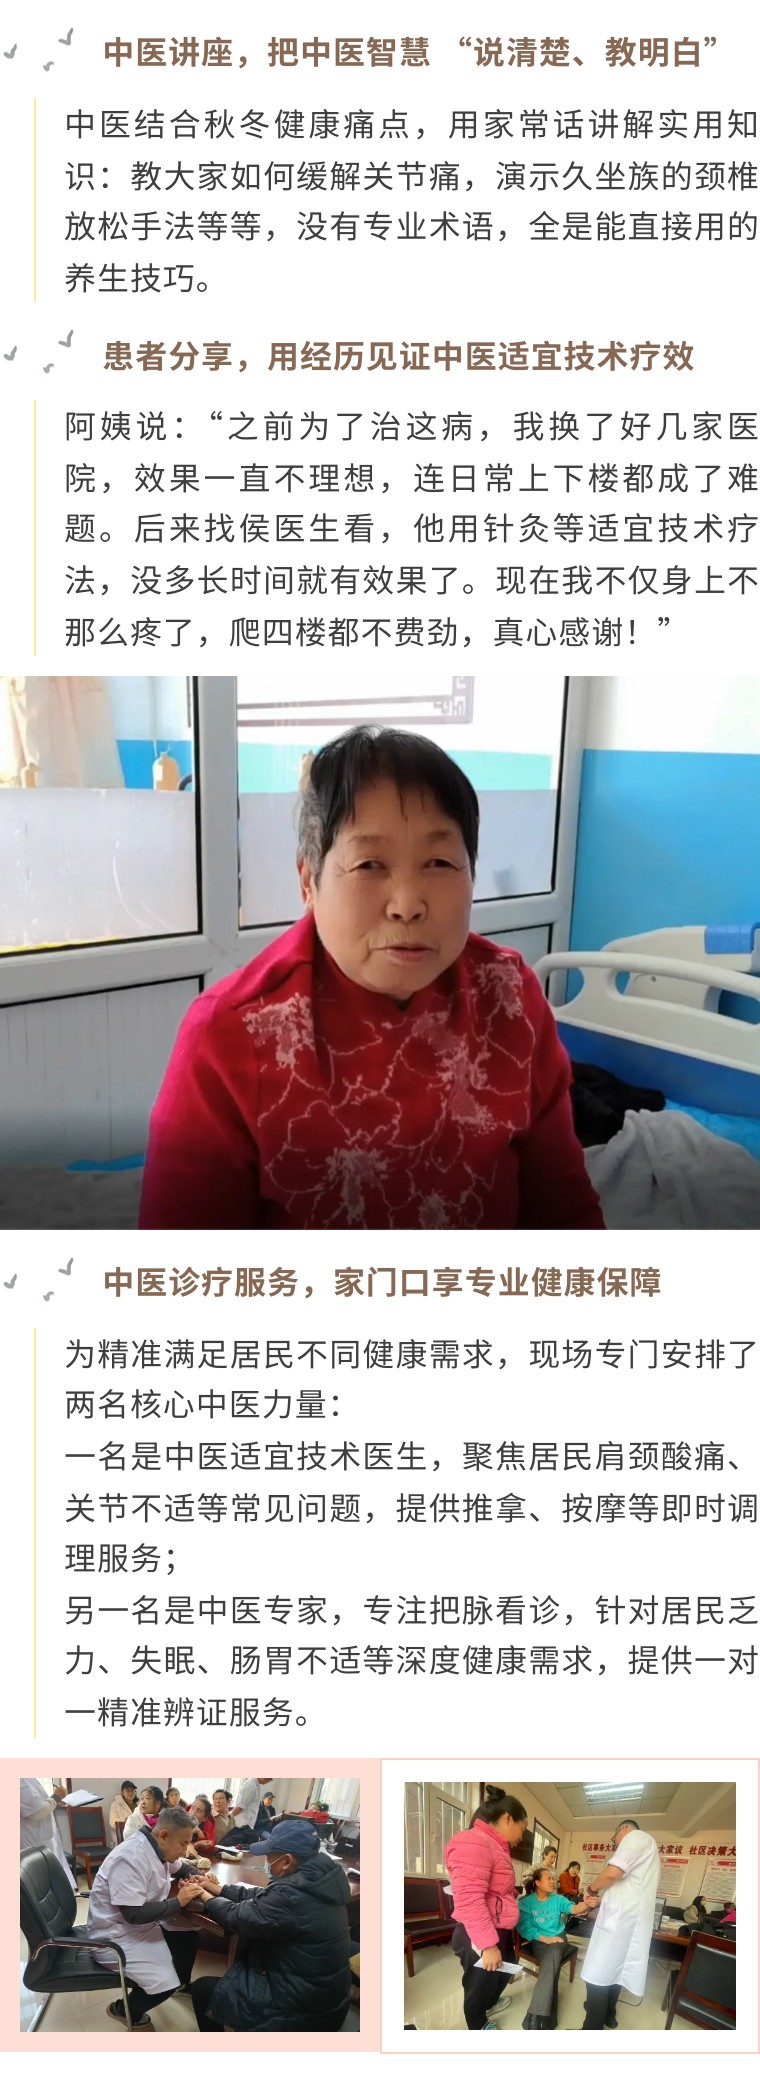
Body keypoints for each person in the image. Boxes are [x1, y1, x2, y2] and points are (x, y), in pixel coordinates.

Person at [140, 727, 603, 1233]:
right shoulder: (230, 1036)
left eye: (439, 863)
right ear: (308, 881)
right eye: (369, 864)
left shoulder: (510, 999)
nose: (407, 904)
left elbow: (566, 1214)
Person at [189, 1819, 352, 2032]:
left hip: (303, 2011)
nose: (266, 1860)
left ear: (286, 1860)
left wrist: (205, 1896)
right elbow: (265, 1896)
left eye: (269, 1855)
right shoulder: (319, 1878)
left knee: (202, 1989)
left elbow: (237, 1917)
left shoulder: (291, 1896)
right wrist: (219, 1889)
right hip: (326, 1998)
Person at [87, 1806, 208, 2031]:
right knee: (165, 1984)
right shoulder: (130, 1857)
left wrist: (198, 1876)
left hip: (139, 1926)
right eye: (183, 1843)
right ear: (164, 1835)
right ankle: (124, 2009)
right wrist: (178, 1901)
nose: (185, 1850)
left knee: (188, 1938)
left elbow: (182, 1868)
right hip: (115, 1936)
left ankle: (180, 1983)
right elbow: (133, 1915)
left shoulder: (158, 1848)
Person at [444, 1792, 528, 2031]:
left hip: (497, 1927)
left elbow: (496, 1889)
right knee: (479, 1983)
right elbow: (469, 1899)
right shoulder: (473, 1841)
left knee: (505, 1966)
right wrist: (488, 1945)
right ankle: (478, 2023)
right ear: (508, 1818)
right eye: (522, 1829)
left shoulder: (496, 1846)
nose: (521, 1836)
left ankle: (489, 2004)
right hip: (478, 1932)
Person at [581, 1819, 660, 2030]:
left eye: (614, 1840)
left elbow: (613, 1872)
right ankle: (609, 2015)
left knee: (597, 1971)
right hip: (624, 1920)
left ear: (623, 1829)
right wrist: (601, 1901)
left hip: (621, 1923)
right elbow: (628, 1889)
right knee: (615, 1969)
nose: (615, 1845)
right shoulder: (647, 1847)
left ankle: (591, 2029)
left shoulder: (637, 1837)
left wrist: (592, 1889)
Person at [518, 1868, 594, 2029]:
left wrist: (586, 1903)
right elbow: (525, 1928)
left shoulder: (557, 1899)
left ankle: (534, 2014)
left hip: (559, 1938)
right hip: (539, 1940)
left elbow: (574, 1909)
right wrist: (546, 1939)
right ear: (537, 1883)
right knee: (551, 1968)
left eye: (553, 1879)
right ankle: (546, 2022)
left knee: (553, 1953)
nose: (553, 1881)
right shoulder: (526, 1903)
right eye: (549, 1879)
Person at [20, 1778, 77, 1893]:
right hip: (33, 1843)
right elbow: (36, 1812)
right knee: (41, 1887)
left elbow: (38, 1804)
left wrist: (54, 1801)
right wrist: (56, 1797)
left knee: (51, 1883)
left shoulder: (29, 1778)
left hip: (42, 1840)